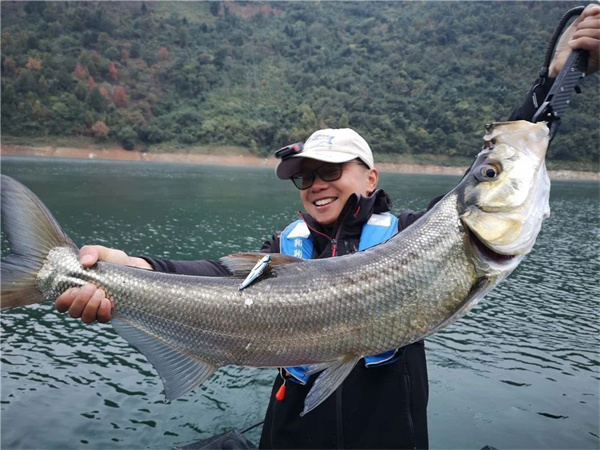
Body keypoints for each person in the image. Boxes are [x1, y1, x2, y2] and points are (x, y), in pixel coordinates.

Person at [56, 5, 600, 449]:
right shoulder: (280, 251)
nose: (316, 184)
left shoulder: (419, 234)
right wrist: (132, 268)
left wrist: (554, 79)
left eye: (331, 172)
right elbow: (214, 276)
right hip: (290, 438)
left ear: (370, 177)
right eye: (305, 176)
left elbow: (488, 175)